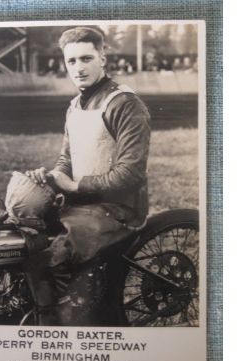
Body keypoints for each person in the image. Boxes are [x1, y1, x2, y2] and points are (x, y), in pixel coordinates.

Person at [24, 27, 151, 325]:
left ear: (102, 58)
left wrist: (76, 185)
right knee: (24, 234)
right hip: (80, 203)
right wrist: (53, 176)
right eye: (71, 61)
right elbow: (67, 158)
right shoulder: (74, 106)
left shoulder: (125, 104)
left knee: (45, 260)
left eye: (86, 58)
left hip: (117, 210)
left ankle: (62, 320)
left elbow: (130, 174)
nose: (78, 68)